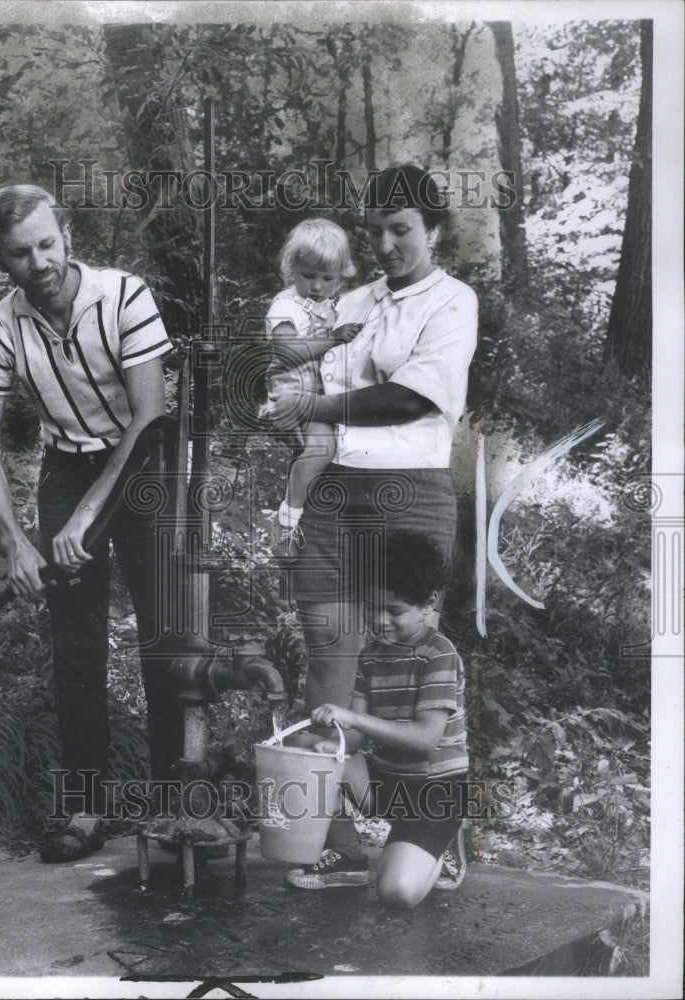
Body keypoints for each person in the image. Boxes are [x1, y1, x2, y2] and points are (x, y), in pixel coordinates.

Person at [0, 184, 183, 862]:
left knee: (162, 639)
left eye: (48, 244)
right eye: (20, 254)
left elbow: (148, 418)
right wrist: (13, 540)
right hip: (68, 466)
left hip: (144, 468)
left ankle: (172, 807)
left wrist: (88, 516)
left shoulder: (123, 296)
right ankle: (87, 808)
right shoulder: (2, 324)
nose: (40, 263)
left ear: (65, 236)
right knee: (77, 651)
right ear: (0, 261)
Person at [260, 164, 478, 726]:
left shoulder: (452, 301)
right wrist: (287, 394)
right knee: (328, 663)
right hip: (333, 498)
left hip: (408, 494)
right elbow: (297, 365)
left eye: (400, 229)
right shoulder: (351, 303)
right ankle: (325, 812)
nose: (385, 245)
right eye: (374, 231)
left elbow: (407, 399)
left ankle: (407, 804)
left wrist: (310, 407)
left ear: (432, 229)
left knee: (400, 671)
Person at [285, 532, 469, 907]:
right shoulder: (371, 656)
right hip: (388, 782)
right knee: (308, 752)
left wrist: (351, 718)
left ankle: (444, 842)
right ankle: (349, 857)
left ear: (427, 604)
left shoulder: (438, 654)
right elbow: (353, 742)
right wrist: (326, 745)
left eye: (395, 610)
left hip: (435, 793)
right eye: (371, 608)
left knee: (396, 893)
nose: (380, 621)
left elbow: (424, 741)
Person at [257, 219, 361, 556]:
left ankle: (301, 514)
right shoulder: (286, 306)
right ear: (292, 269)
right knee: (320, 450)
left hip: (317, 392)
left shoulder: (329, 306)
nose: (317, 286)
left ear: (340, 275)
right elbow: (286, 352)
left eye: (328, 278)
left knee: (329, 451)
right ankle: (286, 522)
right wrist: (332, 337)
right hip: (293, 389)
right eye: (308, 276)